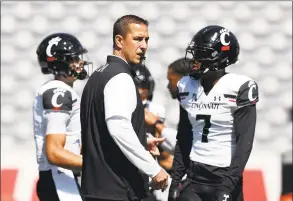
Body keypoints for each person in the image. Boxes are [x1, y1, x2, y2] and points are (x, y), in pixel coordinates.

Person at [80, 14, 169, 201]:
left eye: (146, 40)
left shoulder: (97, 75)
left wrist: (142, 140)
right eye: (137, 39)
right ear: (119, 41)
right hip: (119, 190)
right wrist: (153, 169)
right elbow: (119, 128)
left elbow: (103, 130)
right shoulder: (120, 77)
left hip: (94, 188)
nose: (144, 46)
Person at [168, 25, 259, 201]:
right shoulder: (186, 85)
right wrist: (176, 180)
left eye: (201, 54)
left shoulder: (239, 87)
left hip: (223, 177)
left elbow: (244, 143)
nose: (194, 59)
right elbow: (184, 136)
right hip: (194, 178)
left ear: (219, 59)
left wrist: (228, 185)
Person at [33, 32, 92, 201]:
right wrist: (96, 165)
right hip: (59, 177)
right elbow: (54, 152)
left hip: (62, 177)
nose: (80, 62)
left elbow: (71, 143)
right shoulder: (58, 92)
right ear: (58, 62)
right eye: (73, 59)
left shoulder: (63, 90)